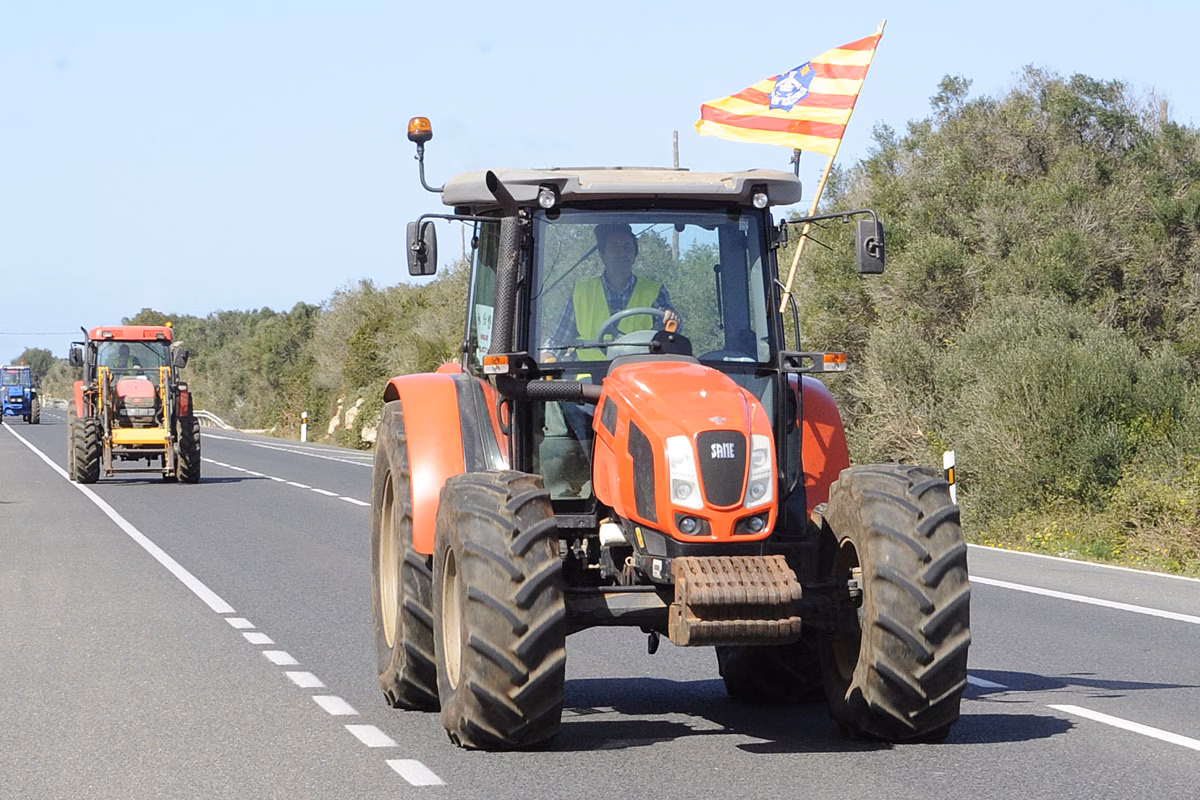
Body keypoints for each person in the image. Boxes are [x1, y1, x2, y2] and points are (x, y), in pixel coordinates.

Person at [545, 223, 679, 355]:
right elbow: (558, 341)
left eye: (627, 247)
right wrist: (548, 355)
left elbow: (670, 335)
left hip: (638, 369)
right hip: (590, 369)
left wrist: (671, 317)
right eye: (614, 247)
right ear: (602, 254)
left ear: (635, 254)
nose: (621, 253)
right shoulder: (580, 293)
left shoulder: (655, 292)